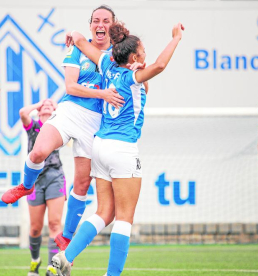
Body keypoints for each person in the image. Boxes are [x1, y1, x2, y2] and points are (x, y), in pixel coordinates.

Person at [48, 21, 184, 276]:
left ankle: (65, 257)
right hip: (122, 149)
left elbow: (79, 39)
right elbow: (160, 66)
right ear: (133, 56)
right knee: (124, 219)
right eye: (143, 52)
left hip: (99, 146)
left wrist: (72, 34)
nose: (146, 56)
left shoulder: (107, 65)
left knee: (104, 213)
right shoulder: (132, 75)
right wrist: (175, 39)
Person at [1, 5, 124, 252]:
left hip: (96, 124)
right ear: (90, 26)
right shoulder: (77, 48)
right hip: (70, 112)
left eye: (106, 21)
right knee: (37, 152)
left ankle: (66, 236)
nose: (101, 25)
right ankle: (26, 185)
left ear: (113, 25)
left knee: (81, 184)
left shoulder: (118, 54)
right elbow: (71, 87)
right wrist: (102, 93)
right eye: (96, 21)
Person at [20, 99, 66, 276]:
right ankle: (35, 261)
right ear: (38, 111)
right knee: (35, 228)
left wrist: (55, 109)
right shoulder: (32, 127)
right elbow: (23, 113)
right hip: (35, 181)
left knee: (55, 224)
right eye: (43, 105)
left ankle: (52, 267)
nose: (47, 105)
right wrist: (38, 104)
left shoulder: (59, 126)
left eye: (51, 104)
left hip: (55, 177)